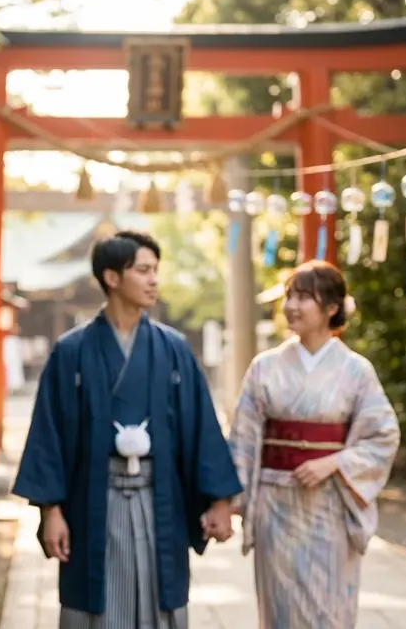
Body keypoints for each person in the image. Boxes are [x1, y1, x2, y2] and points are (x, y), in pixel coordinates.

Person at [13, 230, 243, 629]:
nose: (154, 279)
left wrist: (220, 501)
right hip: (94, 500)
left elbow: (201, 427)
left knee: (161, 599)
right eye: (143, 270)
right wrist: (51, 511)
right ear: (112, 278)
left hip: (160, 498)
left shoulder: (172, 350)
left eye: (156, 270)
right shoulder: (72, 352)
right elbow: (49, 435)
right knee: (96, 602)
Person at [228, 259, 400, 628]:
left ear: (332, 307)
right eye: (289, 296)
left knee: (330, 607)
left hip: (329, 505)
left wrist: (335, 462)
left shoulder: (355, 369)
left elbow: (383, 433)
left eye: (304, 297)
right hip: (276, 505)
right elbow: (243, 437)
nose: (291, 306)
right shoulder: (265, 366)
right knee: (280, 608)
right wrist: (229, 503)